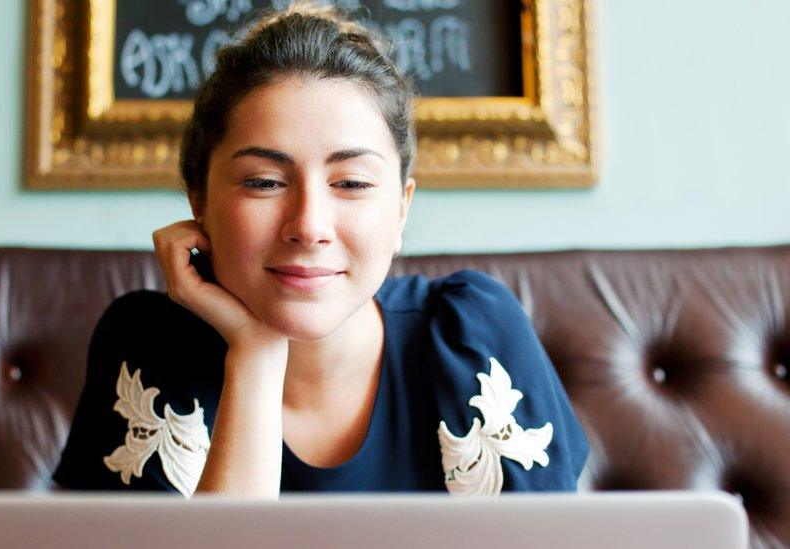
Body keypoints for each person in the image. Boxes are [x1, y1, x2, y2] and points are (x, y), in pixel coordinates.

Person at [52, 1, 589, 499]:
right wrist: (256, 355)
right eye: (264, 182)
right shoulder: (148, 346)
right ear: (200, 200)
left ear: (401, 209)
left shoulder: (476, 332)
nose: (309, 226)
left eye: (352, 183)